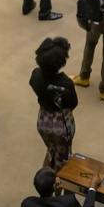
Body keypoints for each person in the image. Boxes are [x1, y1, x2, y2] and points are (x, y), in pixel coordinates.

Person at [31, 35, 77, 170]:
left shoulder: (35, 75)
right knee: (63, 161)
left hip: (43, 120)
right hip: (61, 125)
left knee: (51, 149)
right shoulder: (66, 84)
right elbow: (73, 103)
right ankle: (55, 186)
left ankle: (47, 170)